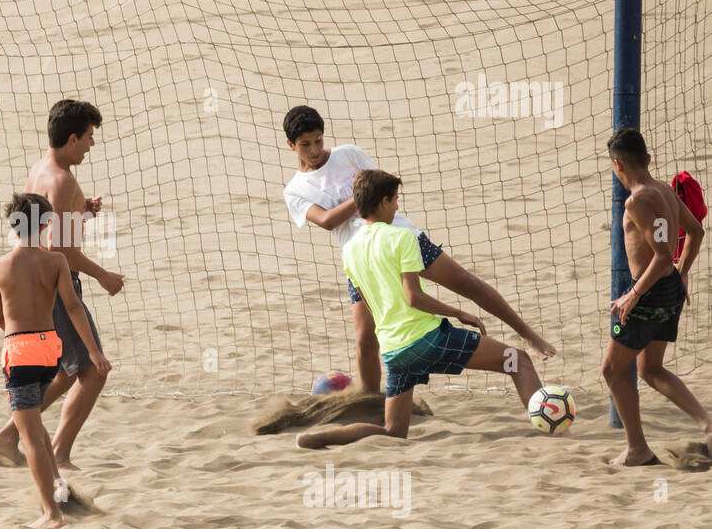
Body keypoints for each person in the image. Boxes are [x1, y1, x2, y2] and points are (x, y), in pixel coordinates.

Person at [282, 105, 556, 391]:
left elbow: (381, 192)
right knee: (365, 336)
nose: (314, 150)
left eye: (318, 141)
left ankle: (527, 334)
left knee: (467, 284)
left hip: (401, 237)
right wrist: (361, 196)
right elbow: (326, 220)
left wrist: (367, 194)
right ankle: (371, 400)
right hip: (363, 258)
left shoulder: (348, 154)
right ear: (291, 145)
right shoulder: (295, 190)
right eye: (305, 145)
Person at [297, 170, 542, 448]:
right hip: (428, 340)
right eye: (396, 200)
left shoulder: (350, 251)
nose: (398, 206)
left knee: (393, 431)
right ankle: (549, 425)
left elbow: (368, 304)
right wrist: (459, 312)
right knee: (517, 360)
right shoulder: (402, 238)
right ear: (384, 202)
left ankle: (315, 438)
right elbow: (413, 297)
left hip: (394, 353)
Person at [0, 99, 123, 470]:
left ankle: (7, 438)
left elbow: (40, 224)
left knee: (63, 373)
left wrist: (81, 211)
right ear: (73, 138)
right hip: (56, 282)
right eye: (90, 137)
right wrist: (103, 275)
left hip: (34, 277)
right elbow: (60, 250)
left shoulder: (41, 168)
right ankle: (58, 453)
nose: (92, 145)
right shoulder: (63, 180)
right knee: (92, 373)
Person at [0, 192, 110, 528]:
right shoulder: (55, 262)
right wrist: (94, 352)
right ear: (45, 225)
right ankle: (61, 495)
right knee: (37, 431)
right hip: (50, 350)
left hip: (20, 351)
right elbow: (72, 308)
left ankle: (51, 514)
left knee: (31, 438)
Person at [601, 128, 709, 466]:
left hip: (649, 295)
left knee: (612, 370)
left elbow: (662, 254)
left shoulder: (638, 199)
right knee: (650, 369)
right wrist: (683, 273)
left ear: (617, 165)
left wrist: (633, 294)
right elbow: (696, 231)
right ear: (647, 158)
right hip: (669, 291)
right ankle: (708, 425)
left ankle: (637, 450)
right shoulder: (664, 188)